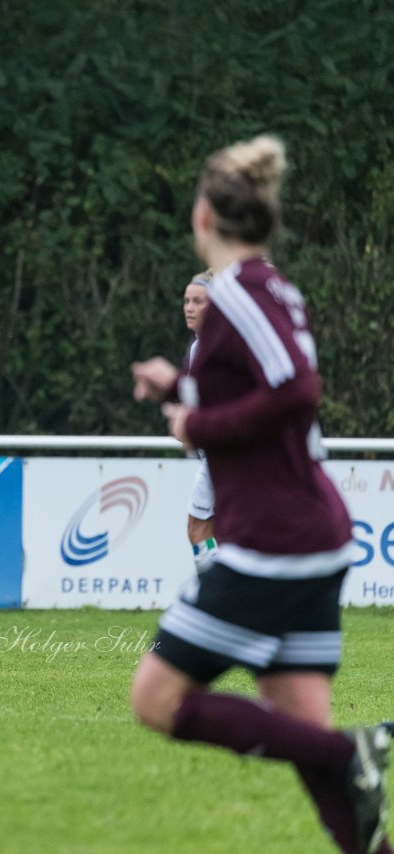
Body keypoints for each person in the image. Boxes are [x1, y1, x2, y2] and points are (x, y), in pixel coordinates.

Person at [130, 135, 391, 853]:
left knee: (155, 700)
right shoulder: (268, 287)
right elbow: (265, 387)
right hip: (307, 534)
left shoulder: (239, 293)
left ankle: (351, 752)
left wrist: (198, 420)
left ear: (205, 217)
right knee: (302, 730)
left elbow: (298, 392)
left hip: (276, 540)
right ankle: (351, 774)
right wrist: (180, 386)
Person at [180, 269, 218, 571]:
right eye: (187, 301)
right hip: (213, 454)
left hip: (226, 455)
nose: (190, 308)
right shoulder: (197, 348)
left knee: (198, 527)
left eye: (198, 301)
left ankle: (220, 601)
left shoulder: (219, 348)